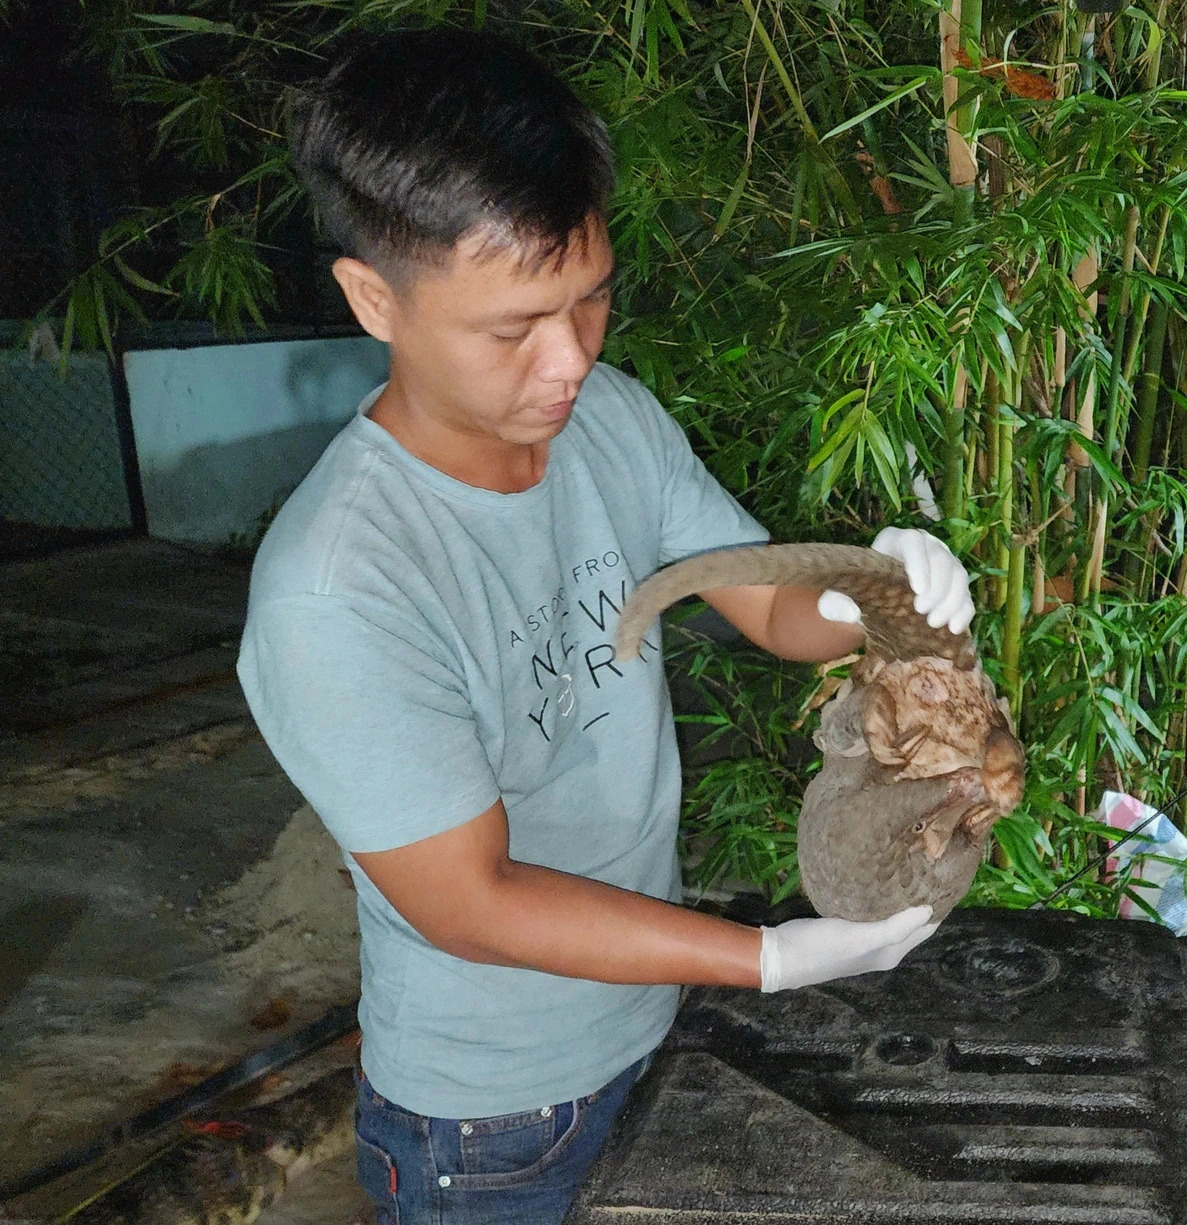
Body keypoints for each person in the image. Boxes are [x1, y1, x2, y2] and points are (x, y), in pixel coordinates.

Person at [234, 27, 976, 1225]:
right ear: (375, 297)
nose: (570, 358)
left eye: (591, 300)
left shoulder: (608, 421)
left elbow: (765, 600)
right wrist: (770, 959)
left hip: (649, 1021)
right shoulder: (339, 588)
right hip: (488, 1122)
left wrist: (876, 593)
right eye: (512, 327)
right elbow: (470, 900)